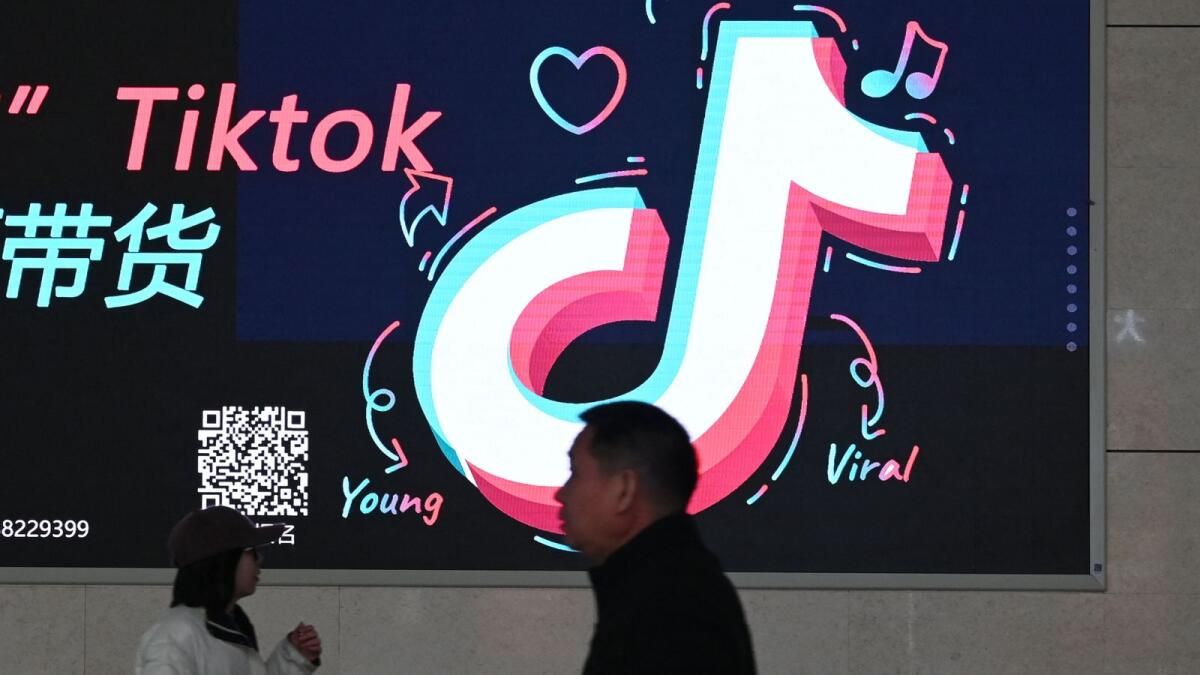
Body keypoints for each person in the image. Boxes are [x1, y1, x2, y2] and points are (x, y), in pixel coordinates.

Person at [556, 401, 757, 674]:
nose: (561, 494)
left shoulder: (676, 611)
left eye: (574, 473)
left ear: (624, 490)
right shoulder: (669, 588)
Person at [135, 505, 322, 674]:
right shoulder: (176, 635)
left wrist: (294, 656)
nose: (259, 559)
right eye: (252, 551)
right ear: (224, 559)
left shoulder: (228, 627)